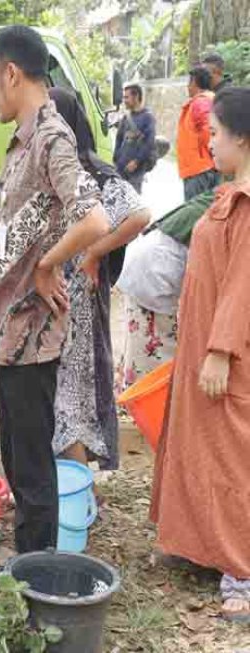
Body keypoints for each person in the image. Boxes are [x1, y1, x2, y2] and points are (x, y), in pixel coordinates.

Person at [0, 26, 109, 554]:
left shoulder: (51, 136)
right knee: (16, 455)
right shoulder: (25, 136)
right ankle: (26, 567)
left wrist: (49, 265)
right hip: (12, 330)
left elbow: (94, 219)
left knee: (32, 468)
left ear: (11, 74)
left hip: (33, 334)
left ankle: (36, 583)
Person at [151, 87, 250, 623]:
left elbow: (242, 286)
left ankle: (242, 567)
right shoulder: (226, 195)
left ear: (242, 138)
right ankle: (194, 543)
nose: (207, 143)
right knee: (194, 443)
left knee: (233, 458)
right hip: (201, 342)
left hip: (226, 352)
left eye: (214, 134)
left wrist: (221, 350)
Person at [48, 88, 151, 471]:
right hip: (51, 303)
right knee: (59, 401)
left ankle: (80, 495)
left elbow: (139, 214)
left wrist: (94, 253)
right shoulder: (53, 169)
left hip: (78, 307)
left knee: (70, 402)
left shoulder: (93, 174)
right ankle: (67, 487)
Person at [177, 66, 219, 201]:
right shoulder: (207, 101)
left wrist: (208, 156)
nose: (187, 86)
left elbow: (208, 131)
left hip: (199, 170)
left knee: (196, 215)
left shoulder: (201, 102)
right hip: (201, 168)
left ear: (195, 82)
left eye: (189, 82)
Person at [114, 84, 156, 193]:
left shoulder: (147, 118)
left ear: (136, 96)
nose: (124, 100)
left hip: (136, 171)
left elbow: (149, 143)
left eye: (126, 97)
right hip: (121, 168)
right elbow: (119, 139)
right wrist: (116, 158)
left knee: (133, 200)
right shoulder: (126, 117)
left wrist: (136, 162)